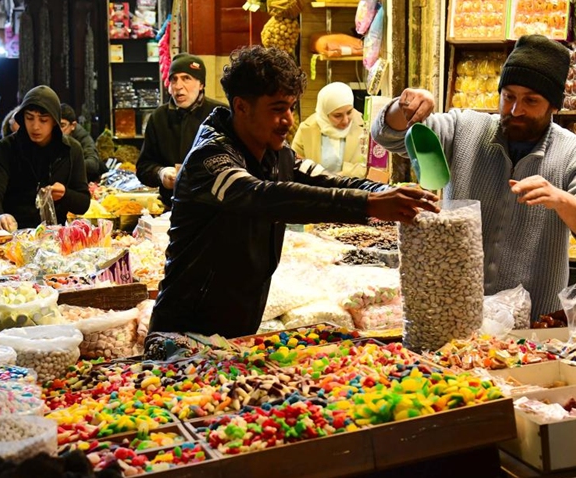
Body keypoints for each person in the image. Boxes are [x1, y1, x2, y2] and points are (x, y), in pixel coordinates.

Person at [148, 46, 439, 338]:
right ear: (241, 107)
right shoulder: (210, 158)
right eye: (277, 109)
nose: (288, 119)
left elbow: (329, 182)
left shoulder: (278, 155)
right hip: (185, 331)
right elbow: (262, 196)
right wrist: (368, 203)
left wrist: (387, 192)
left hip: (238, 329)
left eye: (291, 107)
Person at [371, 34, 576, 319]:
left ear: (554, 106)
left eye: (531, 100)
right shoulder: (465, 128)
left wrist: (561, 200)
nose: (516, 110)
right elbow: (388, 135)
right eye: (509, 96)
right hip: (454, 313)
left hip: (533, 323)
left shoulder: (574, 153)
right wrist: (405, 106)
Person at [0, 85, 91, 231]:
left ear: (54, 121)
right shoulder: (6, 147)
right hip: (13, 233)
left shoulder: (71, 149)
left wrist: (65, 194)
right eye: (29, 118)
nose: (35, 126)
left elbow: (83, 203)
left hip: (55, 236)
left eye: (43, 120)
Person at [135, 53, 226, 209]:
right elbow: (143, 166)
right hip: (171, 209)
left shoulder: (220, 114)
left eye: (186, 78)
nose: (178, 86)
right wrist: (161, 173)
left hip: (214, 209)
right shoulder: (159, 117)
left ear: (201, 84)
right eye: (174, 79)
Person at [291, 82, 366, 178]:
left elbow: (371, 166)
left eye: (349, 112)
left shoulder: (365, 127)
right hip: (315, 187)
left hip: (353, 186)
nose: (345, 120)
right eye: (338, 115)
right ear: (324, 114)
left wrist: (341, 176)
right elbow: (294, 164)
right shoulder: (306, 130)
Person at [60, 103, 105, 182]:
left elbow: (93, 164)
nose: (58, 130)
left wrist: (67, 165)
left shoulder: (82, 137)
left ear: (73, 125)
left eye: (62, 125)